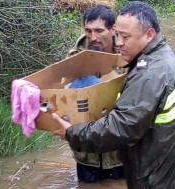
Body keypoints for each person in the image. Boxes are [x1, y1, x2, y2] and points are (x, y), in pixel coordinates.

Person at [53, 1, 175, 188]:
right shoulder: (170, 55)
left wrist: (71, 133)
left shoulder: (149, 74)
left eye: (125, 37)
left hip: (166, 178)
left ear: (149, 35)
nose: (119, 42)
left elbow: (121, 127)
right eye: (118, 35)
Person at [66, 4, 124, 183]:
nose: (93, 37)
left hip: (120, 154)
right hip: (86, 153)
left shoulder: (126, 57)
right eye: (88, 30)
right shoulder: (75, 58)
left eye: (99, 30)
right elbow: (65, 98)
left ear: (113, 29)